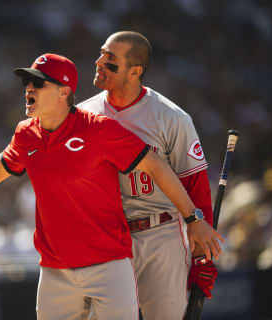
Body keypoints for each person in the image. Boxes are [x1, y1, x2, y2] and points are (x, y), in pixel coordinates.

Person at [0, 53, 223, 320]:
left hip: (110, 267)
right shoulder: (26, 133)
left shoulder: (98, 129)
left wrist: (194, 219)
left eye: (37, 82)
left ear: (63, 91)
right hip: (56, 272)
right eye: (26, 82)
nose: (28, 88)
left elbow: (156, 165)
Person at [77, 31, 218, 319]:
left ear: (135, 71)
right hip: (106, 239)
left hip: (159, 234)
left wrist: (202, 255)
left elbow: (196, 186)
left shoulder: (171, 117)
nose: (99, 62)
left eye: (111, 59)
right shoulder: (82, 115)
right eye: (102, 53)